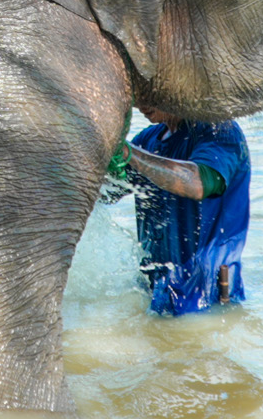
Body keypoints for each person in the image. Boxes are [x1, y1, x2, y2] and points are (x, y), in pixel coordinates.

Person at [104, 105, 251, 315]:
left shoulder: (221, 131)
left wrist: (130, 153)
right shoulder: (149, 139)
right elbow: (108, 193)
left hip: (208, 296)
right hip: (155, 290)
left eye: (148, 92)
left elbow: (197, 183)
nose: (141, 102)